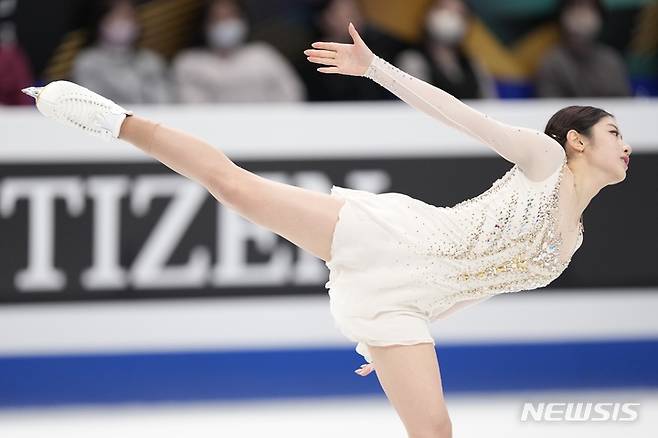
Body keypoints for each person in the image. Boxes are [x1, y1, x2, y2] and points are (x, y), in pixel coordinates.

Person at [24, 21, 632, 438]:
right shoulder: (544, 161)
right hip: (392, 237)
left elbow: (480, 283)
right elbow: (460, 115)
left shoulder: (570, 243)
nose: (625, 146)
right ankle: (114, 120)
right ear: (577, 142)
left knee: (434, 432)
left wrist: (400, 332)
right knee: (238, 189)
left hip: (401, 308)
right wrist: (377, 69)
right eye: (614, 134)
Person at [172, 0, 305, 103]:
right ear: (204, 25)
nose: (225, 23)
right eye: (217, 18)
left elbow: (291, 93)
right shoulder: (189, 62)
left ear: (243, 20)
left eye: (231, 16)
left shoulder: (263, 55)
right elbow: (191, 106)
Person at [298, 0, 405, 101]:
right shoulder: (312, 54)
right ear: (325, 18)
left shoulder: (379, 45)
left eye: (352, 12)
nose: (349, 19)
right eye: (341, 14)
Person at [72, 0, 172, 104]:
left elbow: (164, 102)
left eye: (128, 17)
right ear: (101, 21)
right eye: (116, 17)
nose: (123, 23)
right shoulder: (88, 62)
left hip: (149, 114)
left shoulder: (150, 61)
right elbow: (90, 104)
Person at [396, 0, 496, 99]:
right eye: (443, 8)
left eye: (459, 13)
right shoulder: (413, 60)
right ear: (428, 13)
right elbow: (416, 101)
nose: (449, 16)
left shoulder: (473, 64)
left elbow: (489, 103)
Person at [535, 0, 631, 98]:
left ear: (600, 16)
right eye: (574, 8)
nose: (581, 16)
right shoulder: (552, 62)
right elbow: (549, 104)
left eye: (590, 8)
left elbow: (624, 102)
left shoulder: (611, 60)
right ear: (563, 15)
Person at [0, 21, 34, 105]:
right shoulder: (4, 54)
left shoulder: (17, 55)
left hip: (15, 103)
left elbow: (22, 79)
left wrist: (25, 104)